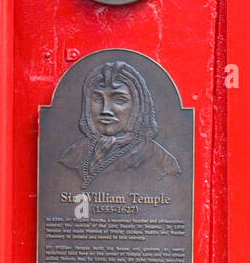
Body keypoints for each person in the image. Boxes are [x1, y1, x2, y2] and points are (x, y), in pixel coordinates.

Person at [59, 59, 181, 188]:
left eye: (119, 100)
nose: (105, 110)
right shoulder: (73, 155)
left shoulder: (161, 162)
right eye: (97, 99)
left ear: (138, 107)